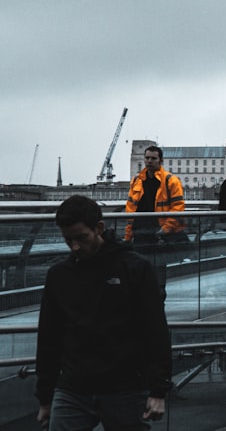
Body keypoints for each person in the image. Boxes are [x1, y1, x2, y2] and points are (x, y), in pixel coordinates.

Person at [36, 195, 172, 429]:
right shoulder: (59, 275)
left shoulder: (134, 268)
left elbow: (155, 330)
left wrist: (158, 390)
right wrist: (45, 398)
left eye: (81, 238)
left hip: (125, 387)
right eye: (68, 240)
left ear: (99, 228)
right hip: (73, 387)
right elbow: (49, 338)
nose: (75, 247)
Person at [125, 145, 186, 290]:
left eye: (153, 158)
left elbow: (177, 208)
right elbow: (130, 209)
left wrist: (165, 229)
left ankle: (157, 304)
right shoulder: (136, 181)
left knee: (158, 277)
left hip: (158, 235)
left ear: (161, 160)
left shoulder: (171, 181)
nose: (149, 161)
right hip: (140, 234)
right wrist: (128, 235)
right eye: (147, 158)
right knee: (140, 274)